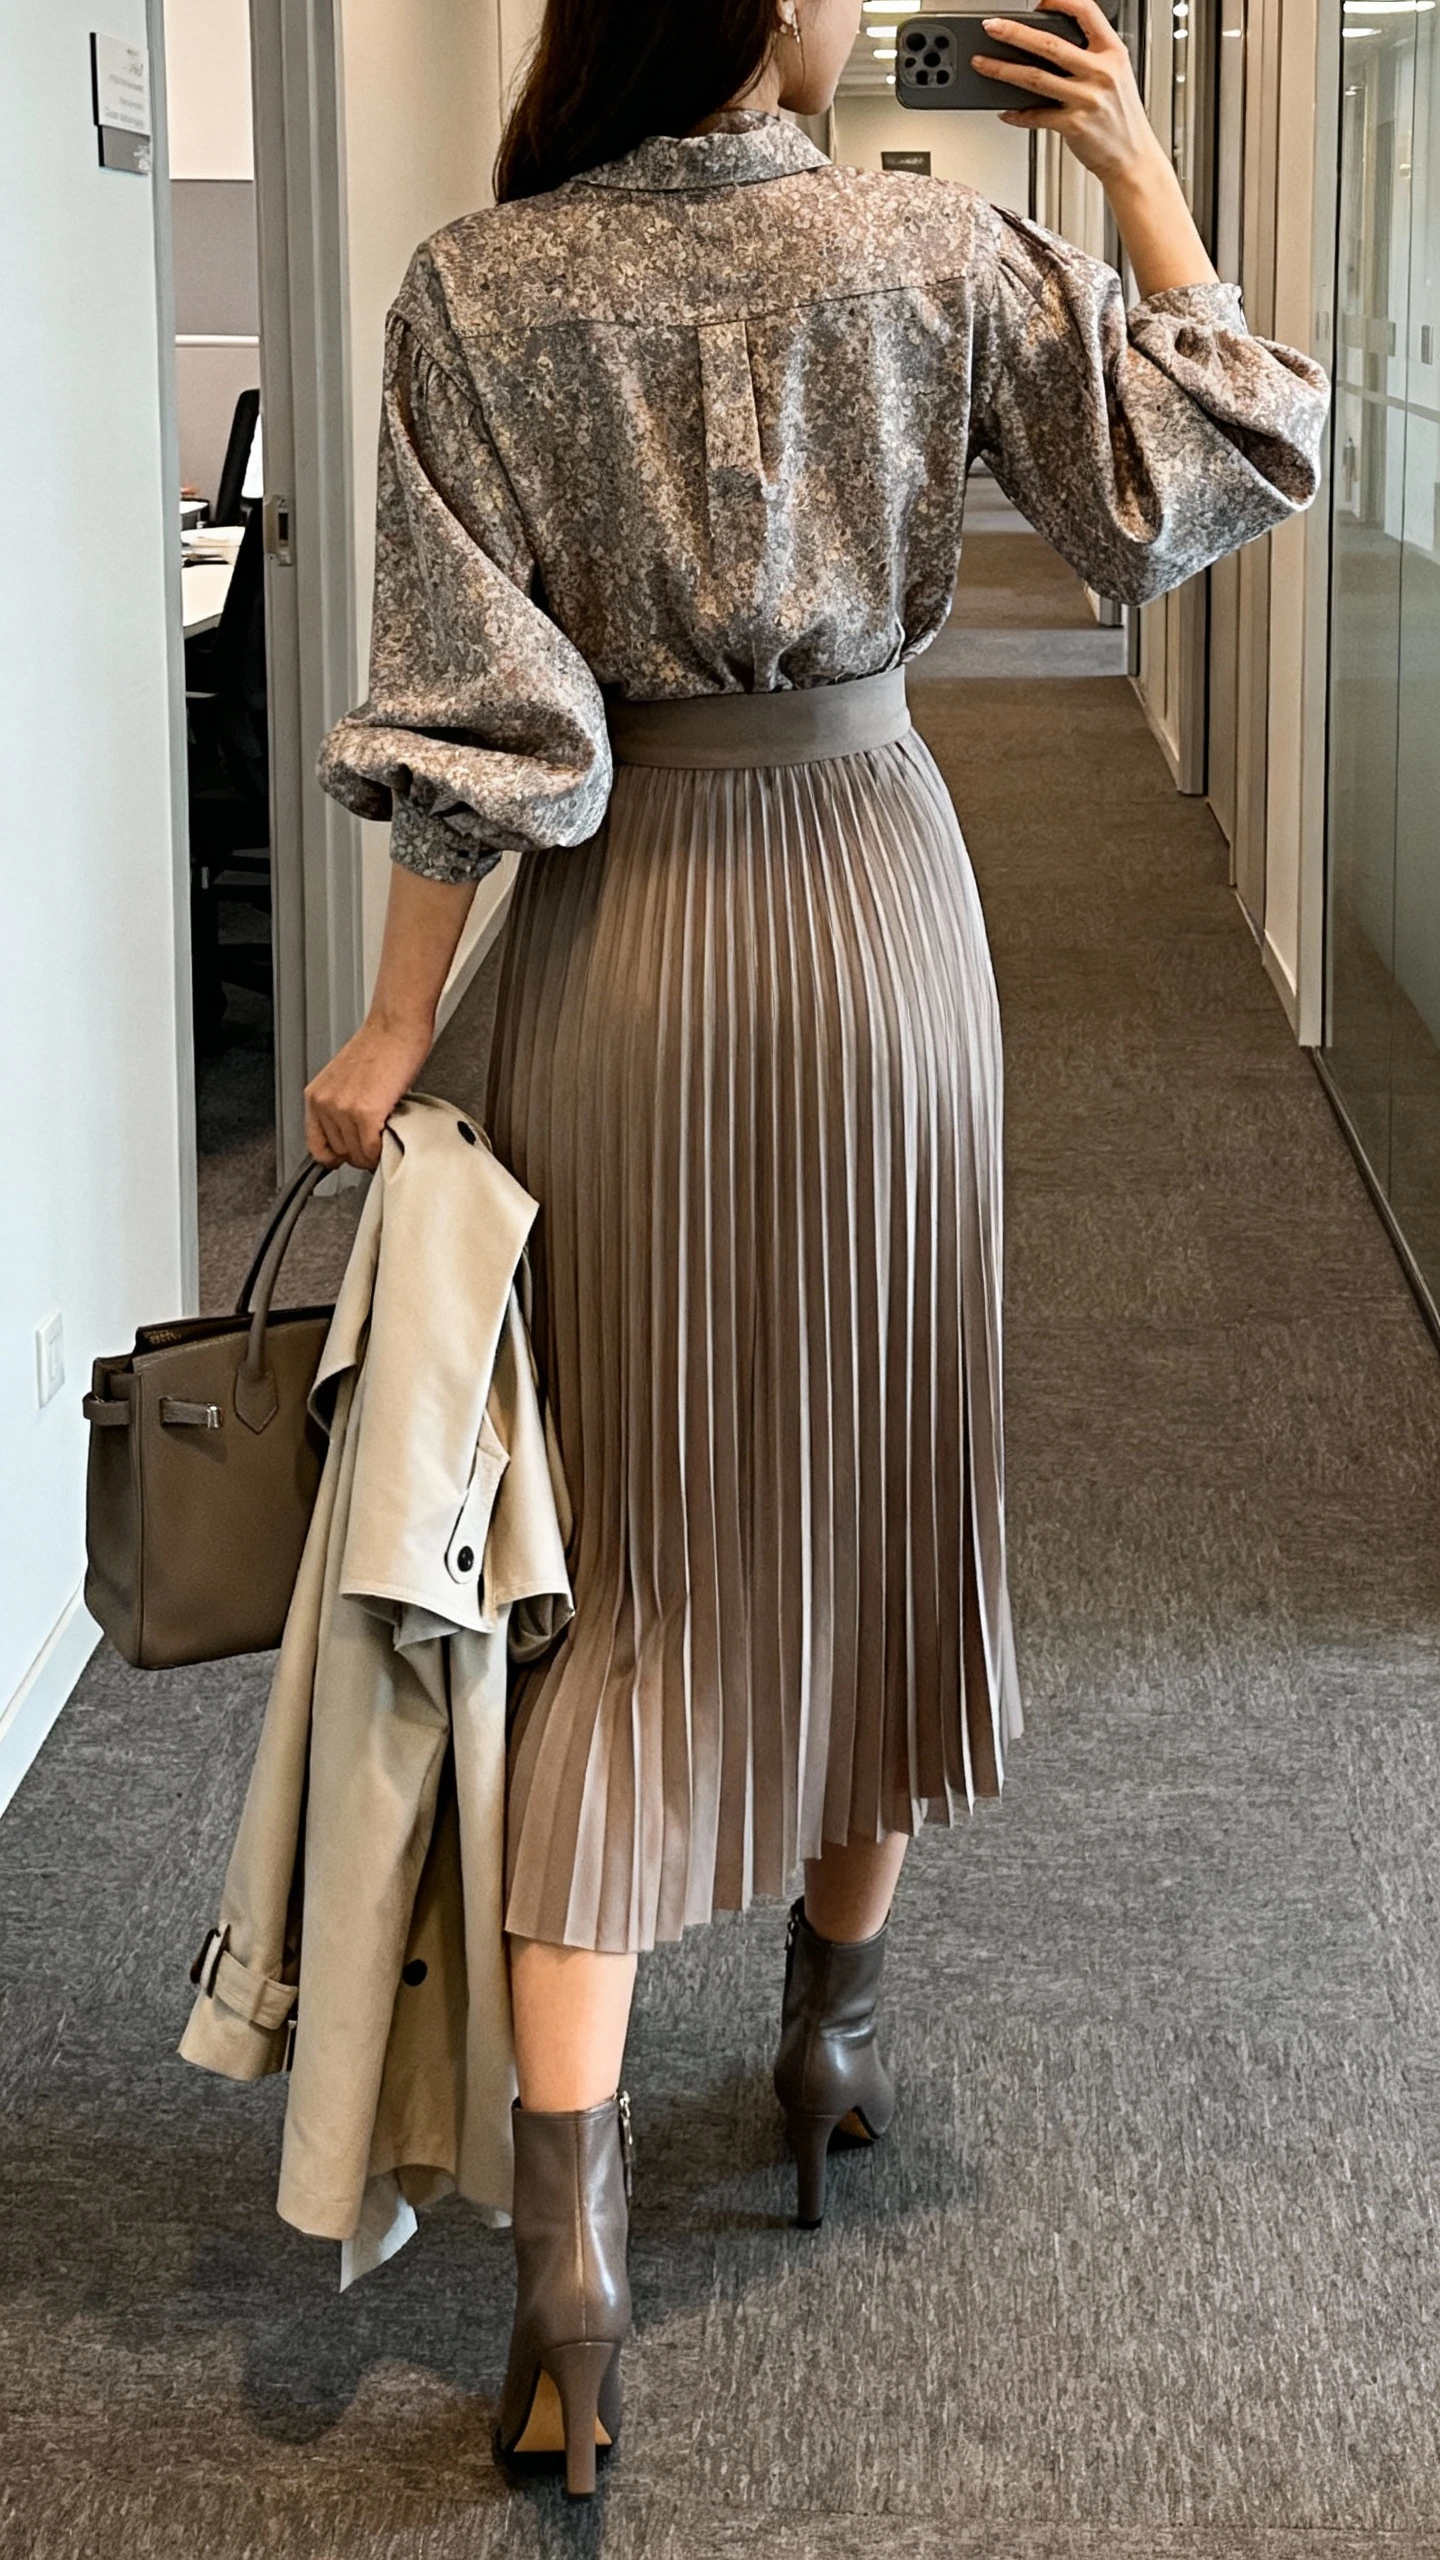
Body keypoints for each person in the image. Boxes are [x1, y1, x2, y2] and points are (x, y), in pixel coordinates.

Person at [305, 0, 1327, 2497]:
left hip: (622, 960)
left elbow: (478, 726)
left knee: (618, 1572)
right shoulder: (930, 240)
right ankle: (827, 2037)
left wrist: (389, 1029)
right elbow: (1213, 459)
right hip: (883, 934)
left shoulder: (474, 289)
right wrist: (1140, 170)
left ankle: (571, 2255)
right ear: (767, 13)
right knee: (871, 1504)